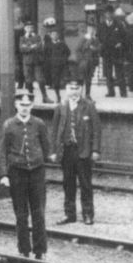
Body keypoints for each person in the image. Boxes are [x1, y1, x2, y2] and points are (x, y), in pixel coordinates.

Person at [0, 88, 50, 259]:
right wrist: (4, 175)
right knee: (21, 214)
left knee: (39, 212)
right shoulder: (9, 125)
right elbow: (2, 152)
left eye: (27, 104)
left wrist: (40, 160)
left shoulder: (39, 124)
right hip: (17, 174)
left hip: (36, 173)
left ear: (32, 105)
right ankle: (24, 249)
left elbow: (46, 147)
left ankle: (40, 250)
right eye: (21, 104)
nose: (24, 108)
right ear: (16, 105)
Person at [48, 72, 102, 225]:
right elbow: (54, 131)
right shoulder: (61, 107)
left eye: (77, 88)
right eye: (71, 88)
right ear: (66, 89)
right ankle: (69, 214)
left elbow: (97, 129)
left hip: (83, 151)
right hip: (66, 151)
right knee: (68, 184)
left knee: (85, 184)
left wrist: (95, 150)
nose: (74, 91)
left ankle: (88, 214)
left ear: (81, 89)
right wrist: (53, 151)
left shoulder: (89, 106)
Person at [99, 5, 130, 97]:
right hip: (106, 52)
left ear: (113, 14)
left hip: (117, 52)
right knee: (108, 73)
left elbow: (125, 37)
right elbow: (99, 37)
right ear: (105, 14)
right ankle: (110, 91)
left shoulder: (119, 25)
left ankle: (123, 92)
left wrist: (120, 43)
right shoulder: (101, 25)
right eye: (107, 13)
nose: (109, 15)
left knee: (119, 72)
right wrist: (102, 46)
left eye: (110, 13)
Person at [41, 21, 70, 104]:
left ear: (58, 35)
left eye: (56, 34)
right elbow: (45, 55)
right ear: (50, 36)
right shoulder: (48, 45)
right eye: (53, 35)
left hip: (62, 66)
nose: (55, 36)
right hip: (53, 66)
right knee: (56, 82)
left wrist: (63, 59)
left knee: (65, 81)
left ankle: (67, 97)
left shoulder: (62, 44)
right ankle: (58, 96)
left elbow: (68, 52)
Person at [18, 20, 47, 103]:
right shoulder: (22, 38)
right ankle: (30, 97)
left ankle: (45, 97)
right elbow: (22, 49)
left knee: (40, 79)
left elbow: (40, 47)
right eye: (28, 27)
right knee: (28, 80)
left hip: (37, 61)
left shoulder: (37, 37)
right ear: (25, 28)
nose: (29, 29)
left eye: (31, 27)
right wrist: (32, 47)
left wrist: (28, 47)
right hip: (27, 62)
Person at [74, 23, 102, 99]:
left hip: (92, 62)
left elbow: (99, 48)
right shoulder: (84, 39)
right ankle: (79, 95)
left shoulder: (96, 39)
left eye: (93, 30)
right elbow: (78, 50)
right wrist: (81, 59)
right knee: (81, 78)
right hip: (84, 61)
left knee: (89, 79)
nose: (92, 31)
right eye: (90, 29)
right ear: (88, 30)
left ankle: (87, 94)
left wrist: (94, 49)